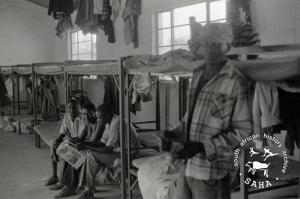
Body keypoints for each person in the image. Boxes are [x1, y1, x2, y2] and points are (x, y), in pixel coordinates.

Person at [162, 22, 253, 199]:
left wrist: (203, 147)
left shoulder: (235, 82)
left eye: (216, 44)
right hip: (186, 168)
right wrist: (174, 134)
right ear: (201, 46)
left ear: (227, 46)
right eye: (206, 43)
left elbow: (244, 134)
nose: (210, 49)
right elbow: (190, 119)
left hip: (211, 174)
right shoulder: (197, 75)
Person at [76, 104, 140, 199]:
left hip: (129, 155)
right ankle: (88, 188)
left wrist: (87, 146)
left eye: (100, 118)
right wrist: (86, 144)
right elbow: (102, 142)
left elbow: (108, 149)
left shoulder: (116, 123)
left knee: (91, 155)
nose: (98, 121)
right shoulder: (107, 123)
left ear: (108, 115)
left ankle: (87, 188)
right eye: (97, 118)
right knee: (90, 155)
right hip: (119, 152)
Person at [44, 99, 81, 187]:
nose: (72, 109)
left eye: (74, 107)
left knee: (66, 150)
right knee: (54, 144)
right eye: (69, 107)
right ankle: (54, 176)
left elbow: (82, 137)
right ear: (67, 109)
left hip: (79, 143)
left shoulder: (82, 118)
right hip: (71, 141)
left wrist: (69, 141)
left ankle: (63, 180)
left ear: (78, 108)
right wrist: (58, 140)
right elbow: (63, 132)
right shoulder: (67, 116)